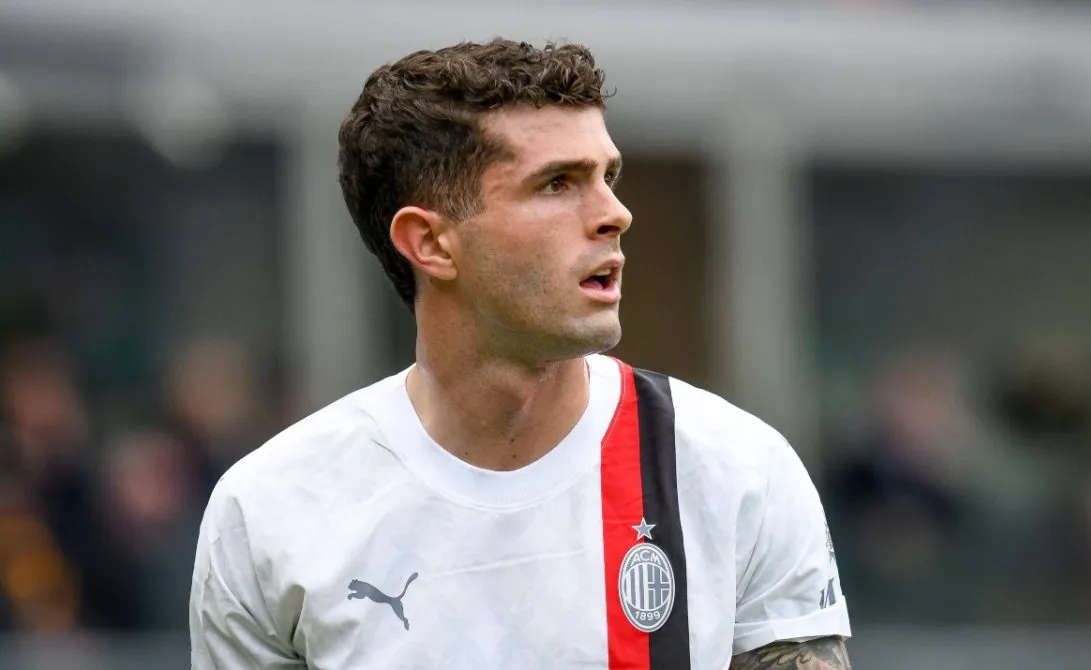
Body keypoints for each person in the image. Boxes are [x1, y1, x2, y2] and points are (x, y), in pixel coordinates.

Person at [189, 39, 851, 669]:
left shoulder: (738, 474)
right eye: (557, 184)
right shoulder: (270, 511)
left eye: (607, 176)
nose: (615, 214)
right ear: (431, 244)